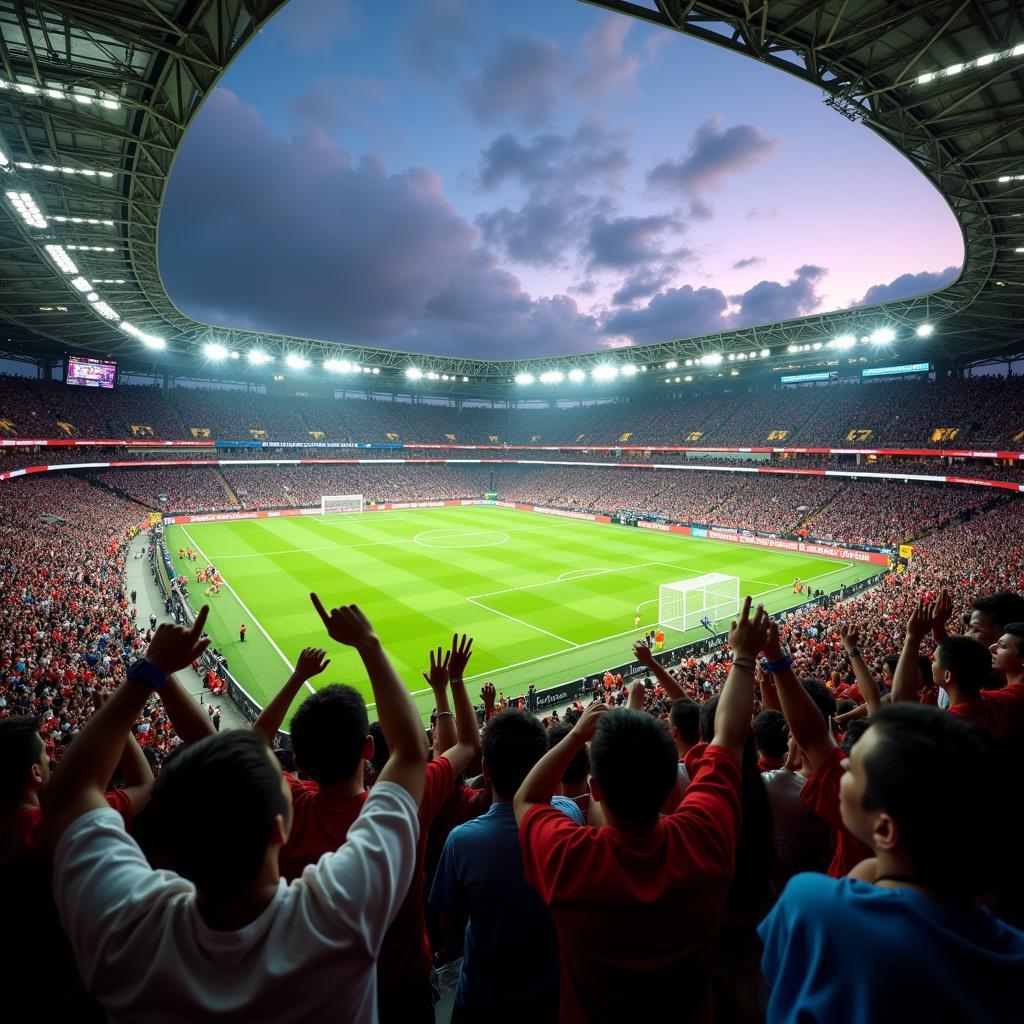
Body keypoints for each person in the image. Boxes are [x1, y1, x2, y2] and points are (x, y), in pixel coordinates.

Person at [45, 600, 427, 1023]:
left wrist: (151, 672)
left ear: (169, 842)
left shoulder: (127, 933)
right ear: (279, 831)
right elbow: (412, 752)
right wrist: (368, 643)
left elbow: (68, 795)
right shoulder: (338, 916)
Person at [514, 597, 767, 1023]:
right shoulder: (703, 834)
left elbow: (525, 799)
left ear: (594, 790)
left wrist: (576, 735)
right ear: (673, 780)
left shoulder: (569, 858)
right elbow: (729, 738)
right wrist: (743, 659)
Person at [253, 632, 480, 1023]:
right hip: (403, 994)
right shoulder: (403, 805)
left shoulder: (287, 808)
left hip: (323, 995)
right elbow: (464, 746)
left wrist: (298, 677)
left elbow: (253, 745)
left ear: (300, 762)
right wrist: (373, 647)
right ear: (367, 750)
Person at [759, 704, 1024, 1023]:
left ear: (884, 829)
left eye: (852, 769)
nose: (840, 772)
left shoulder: (810, 905)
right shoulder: (1013, 947)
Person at [430, 711, 581, 1023]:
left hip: (484, 1001)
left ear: (485, 770)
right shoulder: (568, 814)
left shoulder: (461, 841)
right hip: (555, 999)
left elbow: (451, 931)